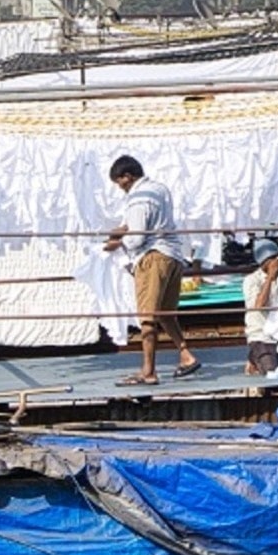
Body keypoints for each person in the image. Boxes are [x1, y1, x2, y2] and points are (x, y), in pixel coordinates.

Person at [103, 155, 198, 384]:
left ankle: (148, 371)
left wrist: (118, 243)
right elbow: (151, 223)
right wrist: (122, 229)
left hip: (152, 257)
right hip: (172, 256)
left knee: (147, 317)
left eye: (120, 183)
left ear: (127, 176)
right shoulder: (160, 189)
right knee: (165, 313)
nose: (121, 189)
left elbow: (137, 239)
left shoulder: (138, 197)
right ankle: (186, 355)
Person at [242, 238, 278, 375]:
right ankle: (254, 357)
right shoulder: (251, 280)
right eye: (273, 258)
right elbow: (259, 305)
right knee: (271, 371)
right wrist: (269, 279)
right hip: (261, 336)